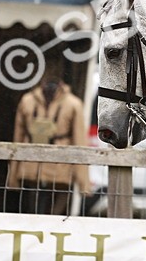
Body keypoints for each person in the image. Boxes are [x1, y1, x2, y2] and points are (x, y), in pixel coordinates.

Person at [7, 65, 91, 214]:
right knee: (31, 210)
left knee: (54, 213)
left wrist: (83, 182)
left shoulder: (73, 104)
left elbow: (79, 141)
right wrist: (13, 176)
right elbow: (17, 138)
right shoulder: (27, 101)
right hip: (31, 166)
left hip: (60, 167)